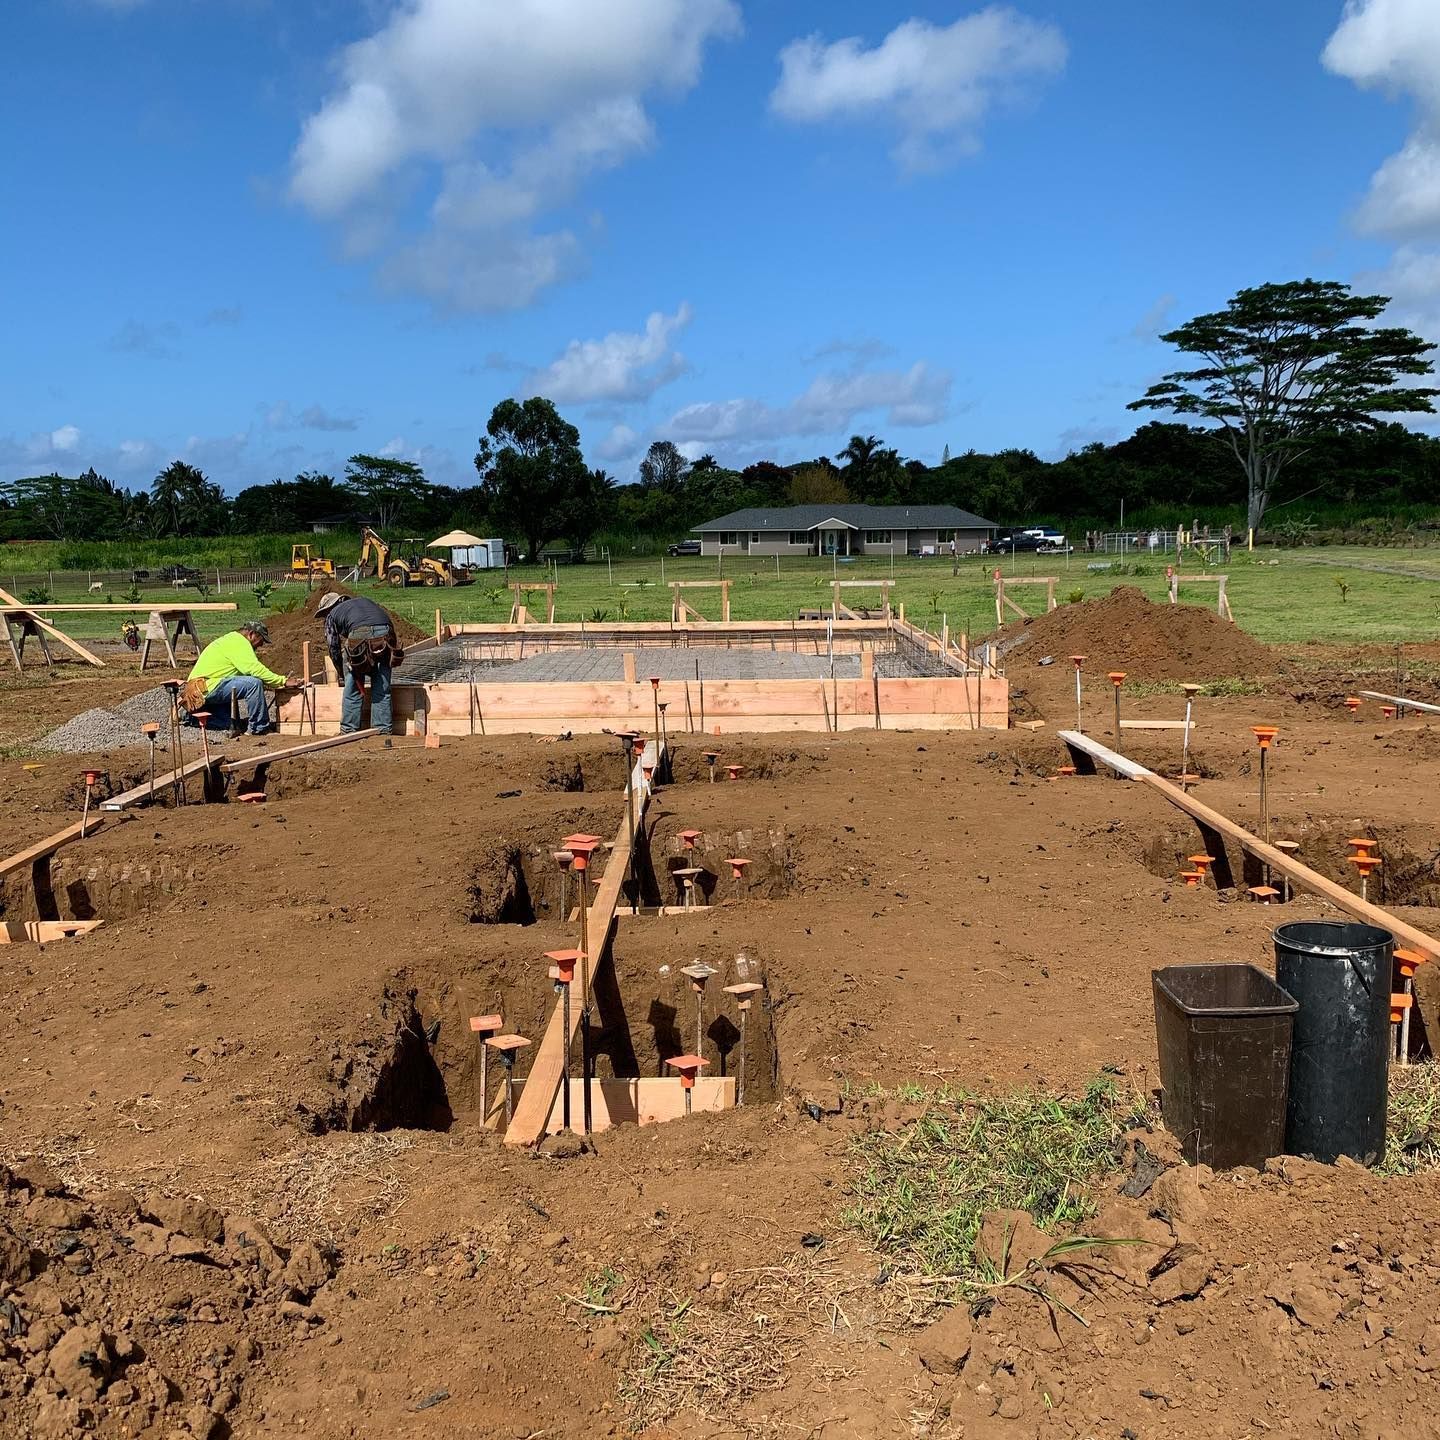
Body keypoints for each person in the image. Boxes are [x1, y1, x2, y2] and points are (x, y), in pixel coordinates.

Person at [184, 621, 295, 735]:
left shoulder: (232, 640)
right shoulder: (239, 643)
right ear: (251, 634)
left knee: (231, 724)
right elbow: (254, 669)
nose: (261, 644)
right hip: (205, 686)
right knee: (254, 684)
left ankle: (190, 718)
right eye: (261, 640)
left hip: (203, 687)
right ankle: (259, 728)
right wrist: (283, 681)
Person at [317, 591, 402, 735]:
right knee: (381, 685)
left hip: (359, 635)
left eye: (324, 614)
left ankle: (349, 729)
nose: (325, 617)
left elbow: (333, 646)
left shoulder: (332, 615)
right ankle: (382, 730)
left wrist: (341, 670)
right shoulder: (365, 602)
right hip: (386, 635)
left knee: (352, 686)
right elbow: (385, 623)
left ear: (329, 608)